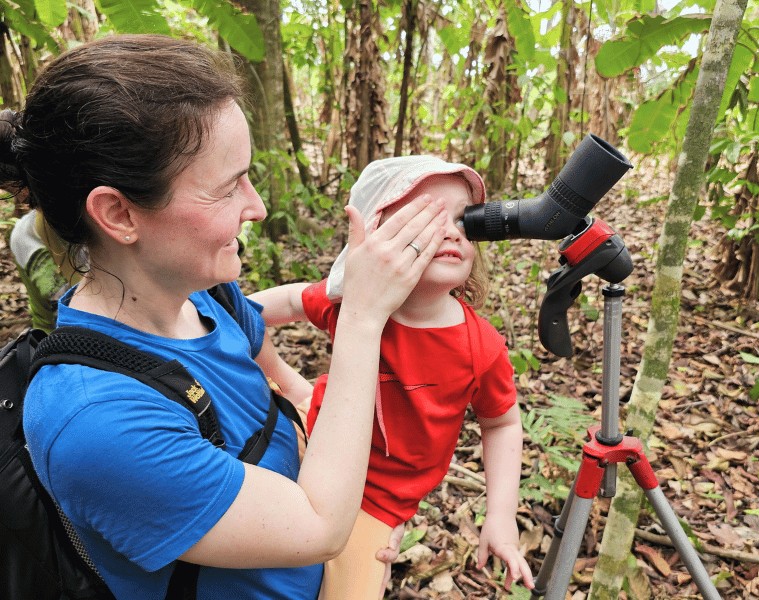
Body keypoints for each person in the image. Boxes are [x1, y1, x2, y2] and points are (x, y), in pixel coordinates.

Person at [0, 34, 449, 600]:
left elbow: (272, 380)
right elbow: (317, 527)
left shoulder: (206, 294)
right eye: (227, 186)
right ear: (118, 213)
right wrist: (363, 317)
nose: (257, 206)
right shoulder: (96, 420)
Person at [251, 156, 536, 598]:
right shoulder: (353, 304)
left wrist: (501, 516)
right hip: (310, 445)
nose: (450, 230)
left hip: (376, 503)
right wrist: (223, 312)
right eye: (422, 220)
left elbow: (501, 422)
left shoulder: (479, 345)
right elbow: (279, 304)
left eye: (465, 220)